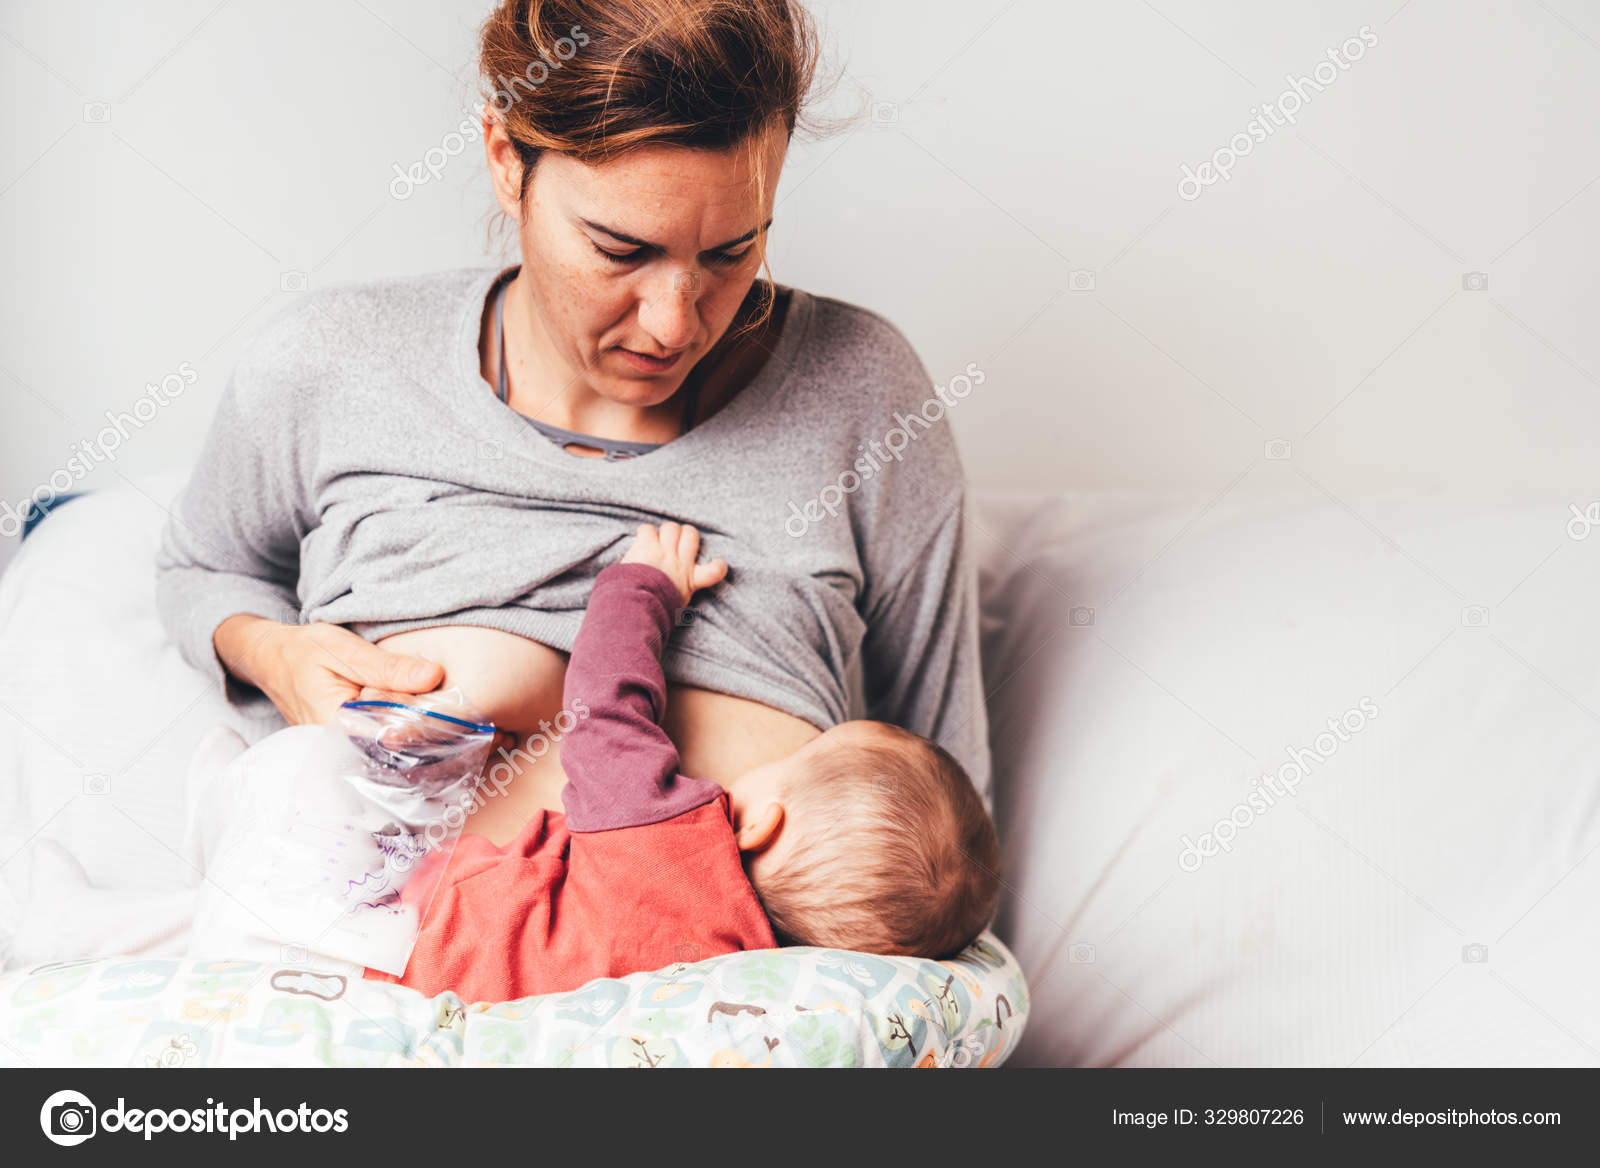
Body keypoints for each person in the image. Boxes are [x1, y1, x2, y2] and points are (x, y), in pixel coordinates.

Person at [155, 0, 991, 851]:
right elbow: (201, 567)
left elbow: (946, 797)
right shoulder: (332, 361)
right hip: (376, 964)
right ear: (505, 159)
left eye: (732, 253)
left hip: (748, 983)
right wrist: (276, 655)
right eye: (622, 250)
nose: (675, 323)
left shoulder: (863, 391)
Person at [369, 522, 1000, 1003]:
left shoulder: (659, 834)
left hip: (412, 940)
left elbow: (607, 702)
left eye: (802, 754)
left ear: (761, 823)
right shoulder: (747, 976)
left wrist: (644, 588)